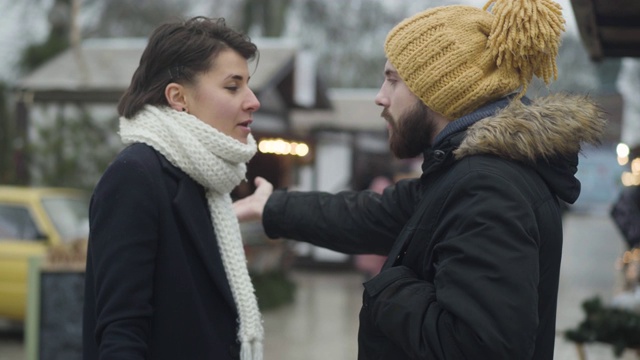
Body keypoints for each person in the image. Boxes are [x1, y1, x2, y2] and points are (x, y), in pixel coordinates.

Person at [233, 0, 608, 359]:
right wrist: (273, 207)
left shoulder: (488, 188)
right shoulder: (465, 174)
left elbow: (481, 347)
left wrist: (389, 285)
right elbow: (372, 215)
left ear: (440, 91)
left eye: (393, 80)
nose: (380, 97)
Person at [83, 17, 263, 360]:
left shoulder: (208, 179)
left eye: (248, 85)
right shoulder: (135, 176)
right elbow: (121, 334)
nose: (253, 101)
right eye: (232, 86)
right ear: (178, 97)